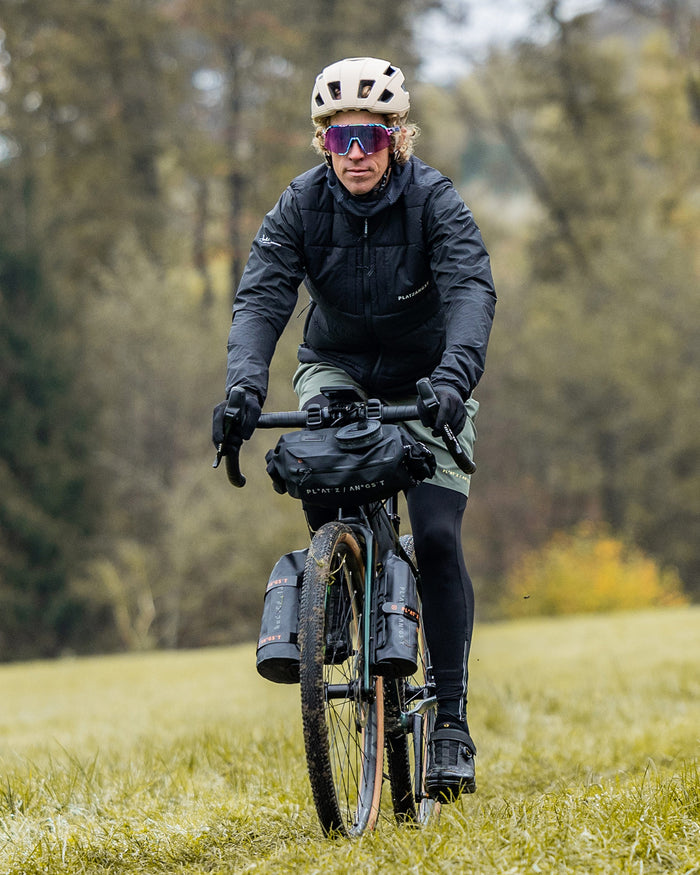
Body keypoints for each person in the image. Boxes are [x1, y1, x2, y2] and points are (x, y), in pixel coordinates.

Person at [213, 57, 496, 801]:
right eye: (342, 142)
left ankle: (454, 720)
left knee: (435, 535)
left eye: (371, 136)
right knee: (323, 470)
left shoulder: (435, 199)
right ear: (322, 144)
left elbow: (471, 289)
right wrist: (243, 386)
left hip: (431, 377)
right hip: (335, 367)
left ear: (398, 136)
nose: (358, 154)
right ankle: (334, 592)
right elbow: (262, 297)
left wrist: (453, 380)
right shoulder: (301, 206)